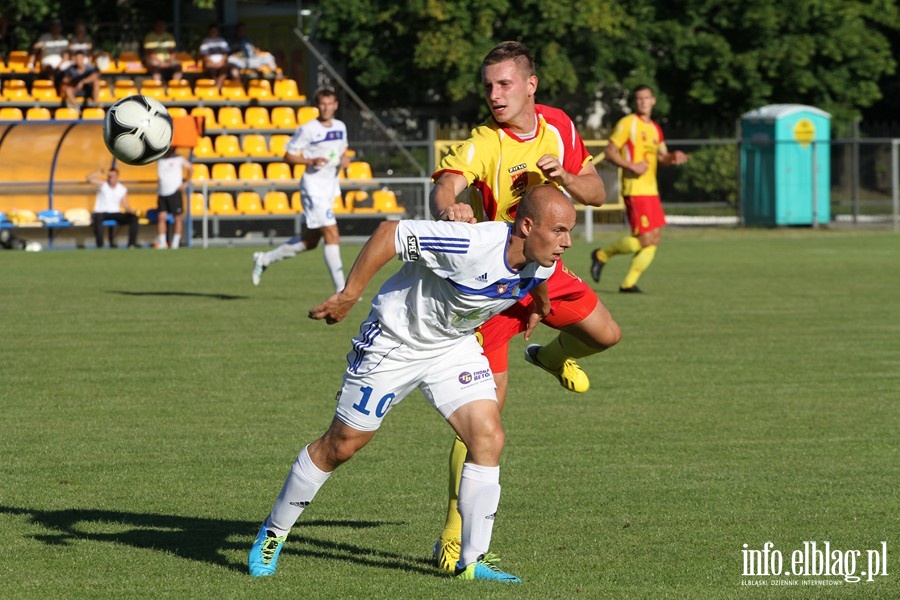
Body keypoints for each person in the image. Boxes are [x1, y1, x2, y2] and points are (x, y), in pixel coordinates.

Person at [248, 185, 576, 582]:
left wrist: (540, 306)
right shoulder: (470, 243)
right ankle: (274, 531)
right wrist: (350, 293)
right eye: (559, 230)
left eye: (569, 231)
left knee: (488, 437)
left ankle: (471, 561)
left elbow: (537, 276)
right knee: (342, 445)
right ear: (527, 225)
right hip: (394, 343)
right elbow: (390, 233)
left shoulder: (541, 256)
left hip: (452, 348)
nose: (567, 242)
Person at [429, 41, 623, 571]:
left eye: (505, 84)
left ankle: (554, 355)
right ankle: (453, 531)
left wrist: (563, 176)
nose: (494, 94)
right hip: (497, 286)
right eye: (488, 85)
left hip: (549, 270)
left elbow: (597, 192)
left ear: (530, 85)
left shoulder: (558, 124)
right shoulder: (485, 142)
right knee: (484, 419)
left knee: (607, 335)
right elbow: (447, 184)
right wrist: (453, 210)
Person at [589, 85, 689, 293]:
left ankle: (628, 283)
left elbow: (662, 157)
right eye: (639, 99)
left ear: (653, 100)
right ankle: (602, 255)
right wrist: (631, 165)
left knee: (654, 240)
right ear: (636, 102)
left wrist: (674, 157)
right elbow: (610, 152)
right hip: (635, 189)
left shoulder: (655, 128)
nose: (643, 102)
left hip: (651, 191)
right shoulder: (628, 124)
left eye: (646, 98)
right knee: (644, 239)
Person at [252, 87, 351, 291]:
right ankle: (342, 290)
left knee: (310, 241)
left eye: (330, 103)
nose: (326, 107)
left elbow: (342, 152)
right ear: (317, 106)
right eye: (322, 103)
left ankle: (264, 259)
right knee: (332, 232)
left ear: (335, 105)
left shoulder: (341, 127)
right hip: (313, 187)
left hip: (329, 186)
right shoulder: (308, 129)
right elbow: (287, 155)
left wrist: (345, 159)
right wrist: (310, 159)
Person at [86, 168, 139, 248]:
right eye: (110, 176)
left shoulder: (122, 189)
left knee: (134, 218)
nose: (111, 178)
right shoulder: (103, 185)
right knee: (98, 217)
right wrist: (100, 172)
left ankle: (131, 244)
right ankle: (100, 245)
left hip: (115, 213)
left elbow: (125, 205)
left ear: (117, 177)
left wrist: (131, 211)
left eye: (113, 176)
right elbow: (88, 179)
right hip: (101, 212)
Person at [155, 147, 192, 249]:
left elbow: (190, 168)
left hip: (174, 192)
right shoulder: (159, 158)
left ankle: (175, 243)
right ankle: (162, 243)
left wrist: (186, 183)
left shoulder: (178, 158)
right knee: (161, 217)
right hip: (162, 192)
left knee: (177, 218)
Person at [198, 24, 237, 89]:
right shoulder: (205, 41)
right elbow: (204, 55)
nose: (213, 32)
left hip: (221, 63)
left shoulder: (221, 40)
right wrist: (213, 63)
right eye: (212, 31)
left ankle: (217, 88)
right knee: (211, 71)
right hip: (210, 64)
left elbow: (226, 53)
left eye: (215, 31)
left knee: (224, 71)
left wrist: (221, 62)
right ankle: (218, 88)